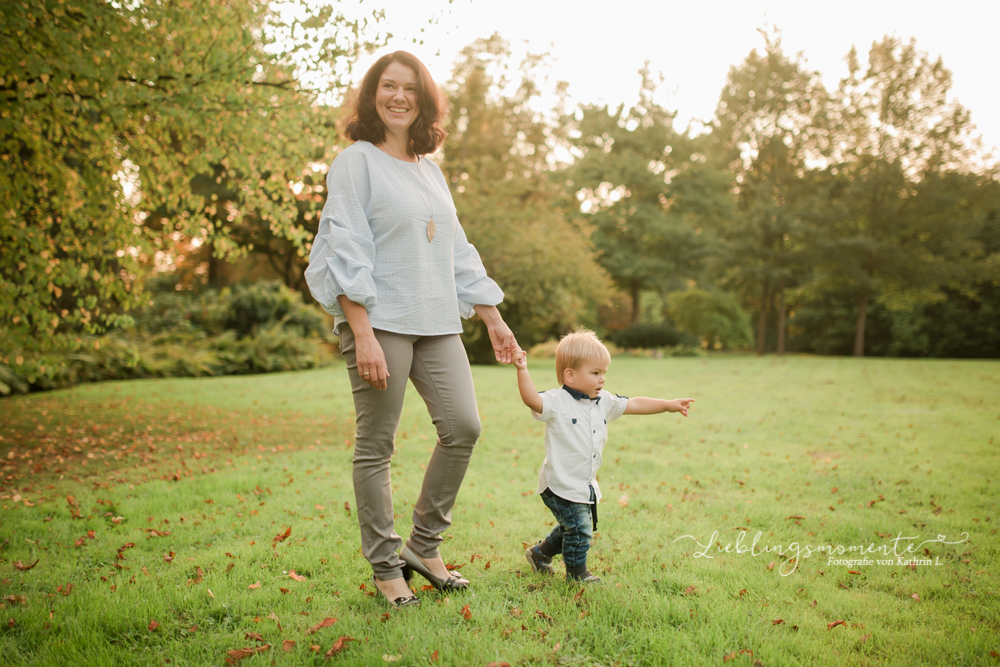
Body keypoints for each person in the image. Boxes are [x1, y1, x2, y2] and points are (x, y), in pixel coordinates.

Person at [304, 51, 518, 609]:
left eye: (410, 89)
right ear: (372, 95)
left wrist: (492, 316)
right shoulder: (356, 162)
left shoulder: (431, 169)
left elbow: (454, 248)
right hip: (380, 321)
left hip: (437, 319)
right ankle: (384, 566)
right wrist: (363, 331)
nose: (398, 97)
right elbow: (344, 247)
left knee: (464, 428)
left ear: (424, 101)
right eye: (388, 86)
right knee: (376, 446)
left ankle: (424, 546)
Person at [511, 329, 694, 582]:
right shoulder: (557, 401)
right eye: (595, 373)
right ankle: (577, 574)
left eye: (604, 373)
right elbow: (531, 399)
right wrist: (522, 369)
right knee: (579, 529)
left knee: (571, 527)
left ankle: (540, 554)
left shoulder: (603, 402)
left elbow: (635, 404)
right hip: (560, 483)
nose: (602, 379)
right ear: (570, 375)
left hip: (583, 484)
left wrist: (668, 405)